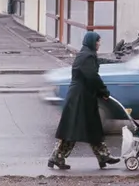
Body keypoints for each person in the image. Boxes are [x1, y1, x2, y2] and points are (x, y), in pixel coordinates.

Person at [48, 31, 120, 170]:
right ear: (92, 42)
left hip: (82, 96)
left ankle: (103, 156)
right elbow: (92, 77)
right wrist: (103, 91)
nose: (99, 44)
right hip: (80, 98)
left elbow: (90, 77)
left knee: (91, 127)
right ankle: (57, 156)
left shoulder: (86, 54)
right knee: (73, 129)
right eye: (98, 41)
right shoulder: (87, 56)